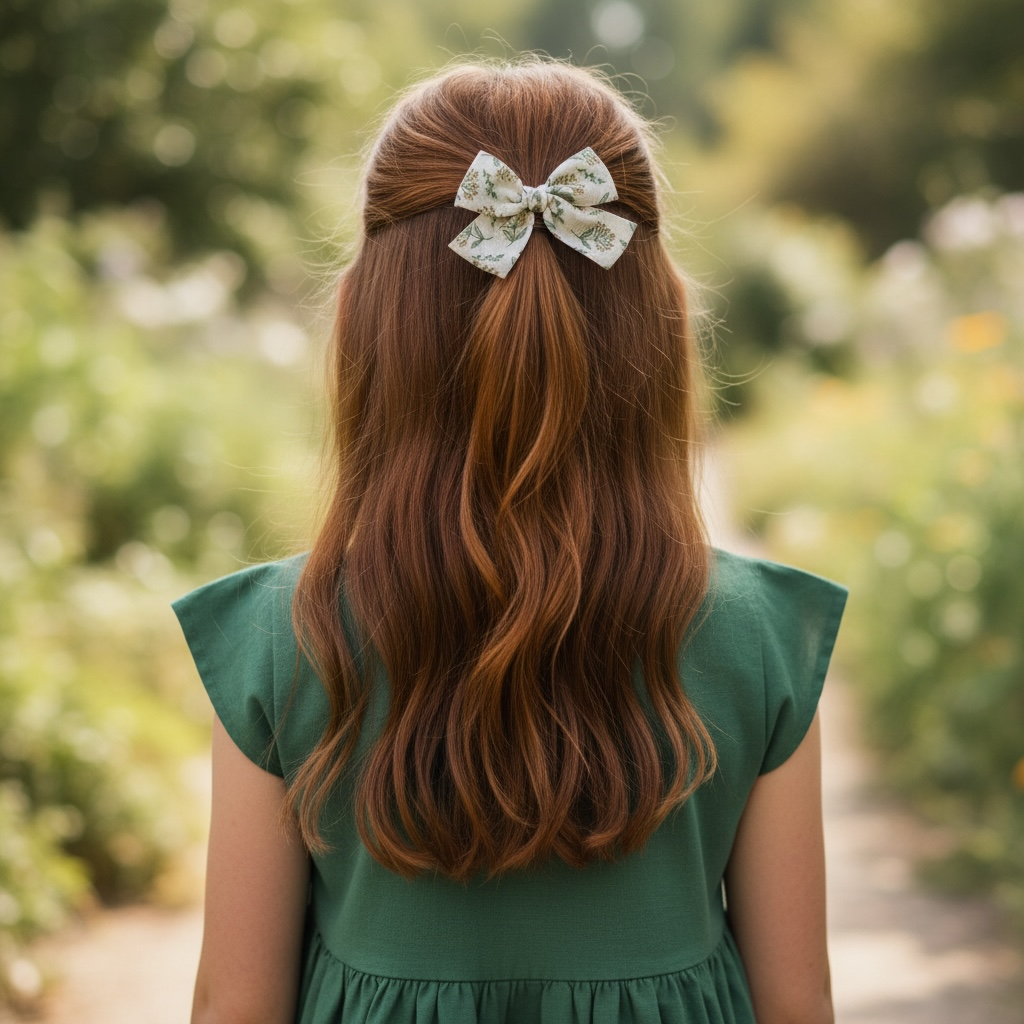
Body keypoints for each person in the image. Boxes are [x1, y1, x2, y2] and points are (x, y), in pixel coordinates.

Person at [173, 57, 847, 1024]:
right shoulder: (764, 635)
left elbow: (236, 1005)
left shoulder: (282, 634)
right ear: (661, 322)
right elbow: (798, 1002)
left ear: (363, 321)